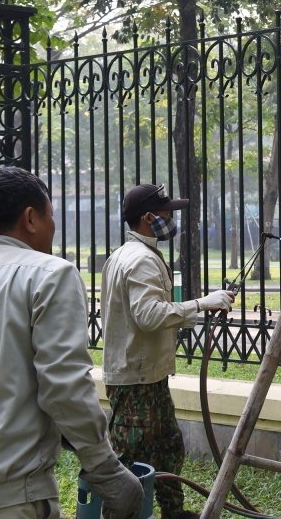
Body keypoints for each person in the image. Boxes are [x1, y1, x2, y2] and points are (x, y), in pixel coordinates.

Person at [0, 166, 143, 519]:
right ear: (31, 219)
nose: (54, 226)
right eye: (51, 214)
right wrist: (104, 468)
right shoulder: (49, 274)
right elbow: (63, 385)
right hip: (7, 498)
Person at [101, 184, 236, 519]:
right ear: (148, 217)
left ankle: (173, 513)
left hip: (150, 374)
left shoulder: (127, 255)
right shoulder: (140, 260)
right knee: (130, 459)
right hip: (135, 380)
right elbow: (148, 316)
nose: (171, 218)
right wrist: (202, 304)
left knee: (167, 447)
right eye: (166, 212)